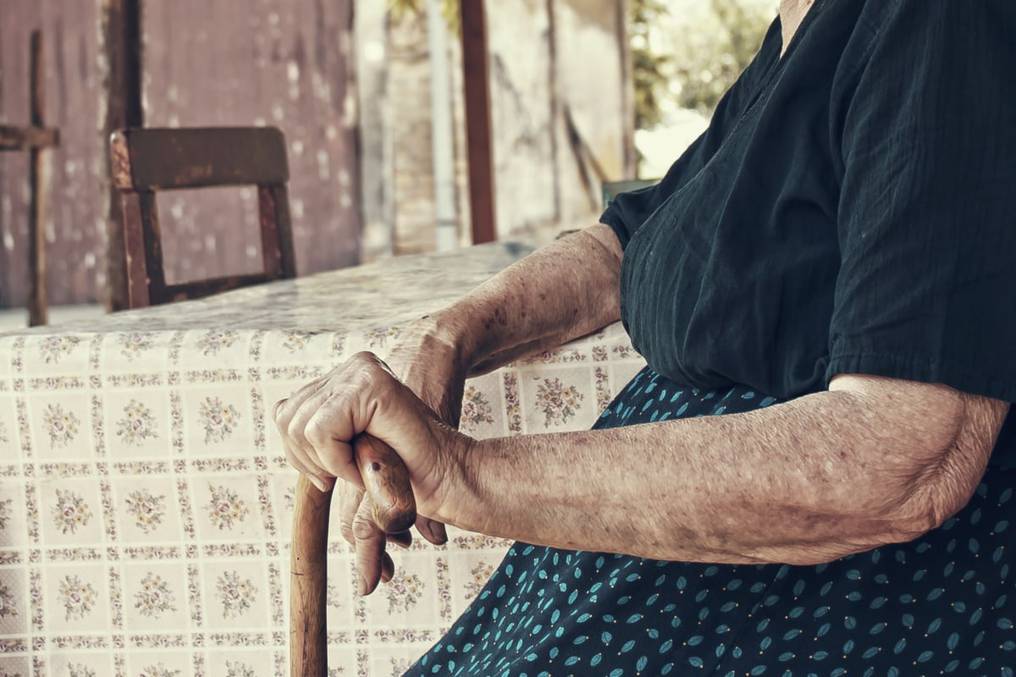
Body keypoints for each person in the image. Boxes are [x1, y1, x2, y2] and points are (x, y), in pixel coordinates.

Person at [274, 0, 1016, 673]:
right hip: (684, 585)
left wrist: (461, 472)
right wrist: (447, 335)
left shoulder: (937, 22)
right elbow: (625, 243)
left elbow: (906, 450)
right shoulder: (803, 33)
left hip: (832, 603)